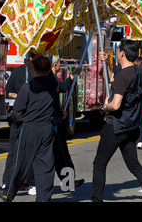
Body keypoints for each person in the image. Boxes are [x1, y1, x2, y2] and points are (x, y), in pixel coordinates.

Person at [91, 40, 142, 202]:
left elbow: (115, 105)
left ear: (121, 53)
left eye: (119, 50)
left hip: (116, 125)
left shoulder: (124, 76)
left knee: (99, 164)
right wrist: (106, 63)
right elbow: (111, 78)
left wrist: (104, 106)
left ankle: (96, 199)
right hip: (130, 126)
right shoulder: (135, 71)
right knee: (134, 164)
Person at [0, 55, 57, 202]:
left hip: (29, 127)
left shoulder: (28, 86)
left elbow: (18, 110)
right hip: (47, 128)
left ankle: (8, 193)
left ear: (33, 68)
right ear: (49, 69)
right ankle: (44, 198)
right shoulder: (52, 85)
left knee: (20, 162)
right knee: (45, 166)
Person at [0, 52, 36, 196]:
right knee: (17, 151)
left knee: (27, 151)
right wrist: (22, 95)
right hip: (20, 117)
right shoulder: (20, 72)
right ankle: (8, 182)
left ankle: (30, 183)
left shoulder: (38, 75)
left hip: (29, 116)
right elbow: (9, 92)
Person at [49, 55, 85, 189]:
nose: (60, 65)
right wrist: (61, 113)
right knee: (62, 155)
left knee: (57, 156)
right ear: (55, 64)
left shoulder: (49, 78)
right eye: (59, 63)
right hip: (54, 123)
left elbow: (62, 87)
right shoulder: (51, 79)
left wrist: (72, 76)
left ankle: (68, 182)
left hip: (49, 122)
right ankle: (69, 182)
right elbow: (53, 101)